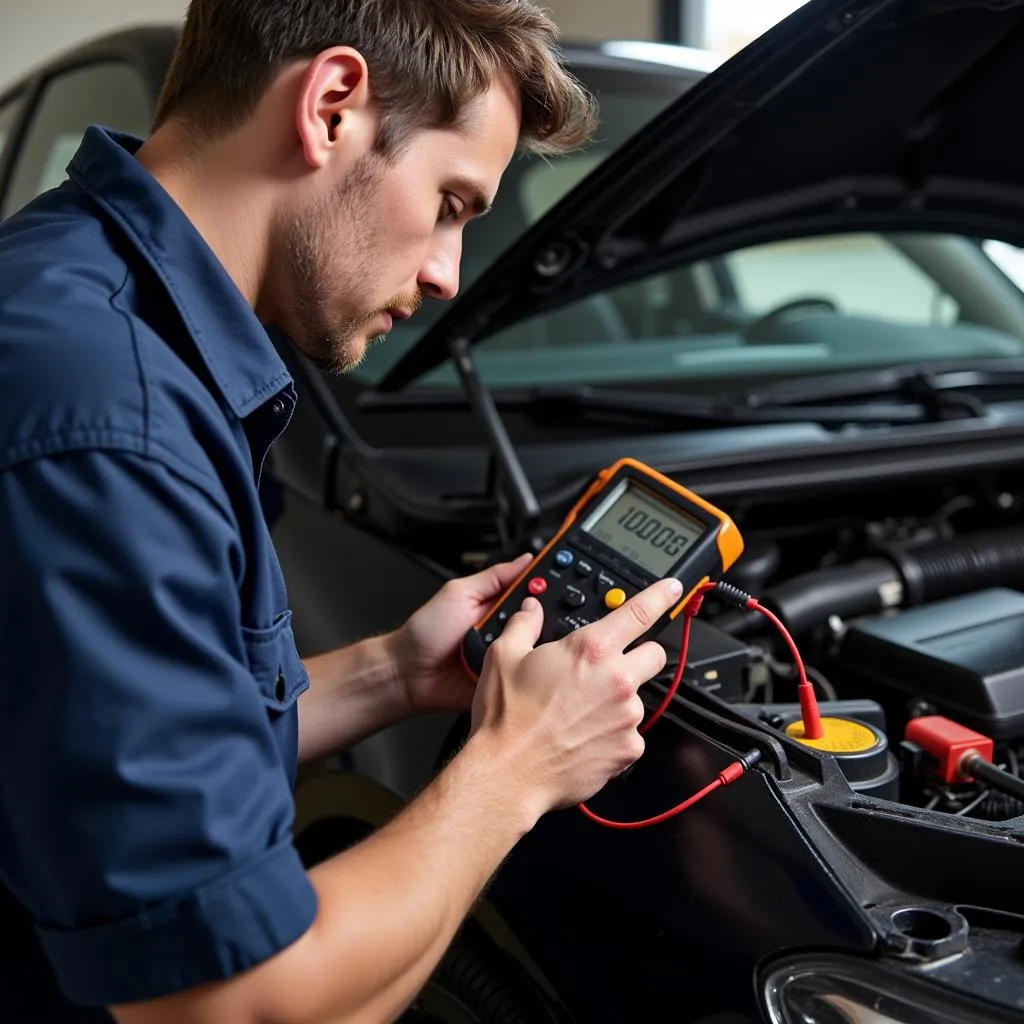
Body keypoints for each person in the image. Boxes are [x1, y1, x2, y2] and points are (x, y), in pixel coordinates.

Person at [0, 1, 684, 1021]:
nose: (451, 274)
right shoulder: (110, 420)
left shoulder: (79, 291)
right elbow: (231, 1004)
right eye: (452, 202)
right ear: (330, 108)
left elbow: (139, 735)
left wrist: (395, 673)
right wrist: (515, 769)